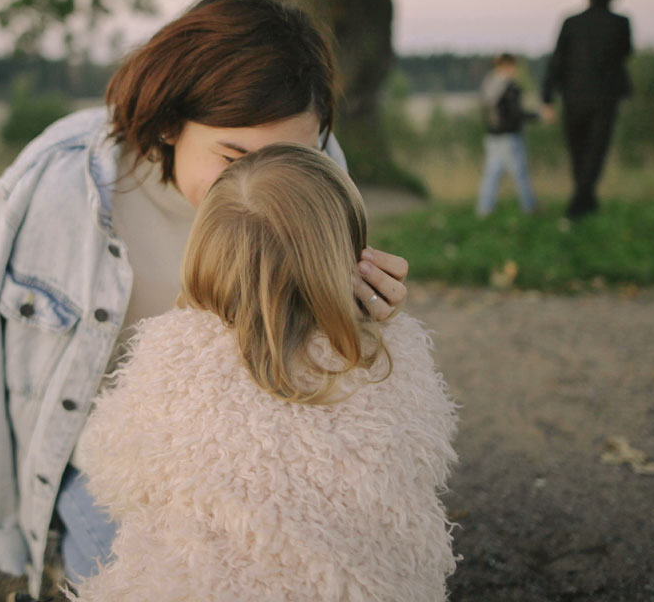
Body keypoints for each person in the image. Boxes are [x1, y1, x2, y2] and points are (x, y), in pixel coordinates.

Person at [0, 0, 410, 599]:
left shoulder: (322, 179)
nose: (262, 182)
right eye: (233, 154)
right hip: (109, 463)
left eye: (295, 155)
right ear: (170, 122)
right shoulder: (57, 188)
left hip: (252, 456)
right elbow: (9, 379)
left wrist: (365, 315)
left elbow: (321, 372)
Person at [68, 143, 458, 602]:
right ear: (350, 255)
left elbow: (112, 472)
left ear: (205, 247)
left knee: (80, 502)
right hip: (364, 590)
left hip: (198, 591)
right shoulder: (388, 351)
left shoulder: (171, 348)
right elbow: (426, 459)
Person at [541, 0, 633, 219]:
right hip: (606, 98)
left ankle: (580, 202)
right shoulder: (621, 23)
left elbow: (557, 61)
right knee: (595, 150)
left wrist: (547, 97)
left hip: (574, 97)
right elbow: (625, 54)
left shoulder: (572, 23)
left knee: (579, 150)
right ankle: (584, 200)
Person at [476, 53, 538, 217]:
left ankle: (484, 209)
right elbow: (516, 113)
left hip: (492, 136)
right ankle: (529, 207)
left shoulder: (488, 85)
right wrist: (537, 116)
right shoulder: (508, 88)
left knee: (492, 174)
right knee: (520, 173)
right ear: (506, 66)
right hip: (509, 136)